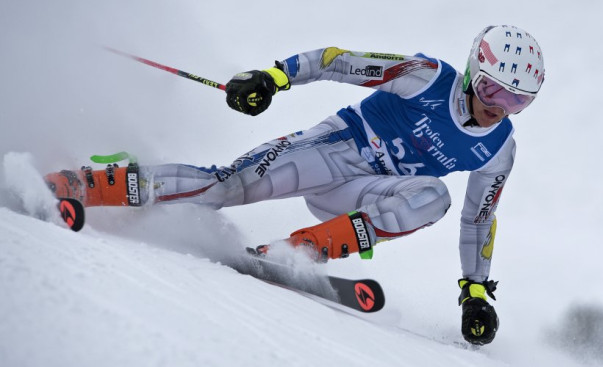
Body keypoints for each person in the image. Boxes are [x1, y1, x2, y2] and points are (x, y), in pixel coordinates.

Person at [44, 25, 545, 345]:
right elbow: (335, 59)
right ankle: (86, 184)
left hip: (366, 193)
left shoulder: (499, 148)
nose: (497, 106)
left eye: (517, 101)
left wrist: (475, 289)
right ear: (473, 74)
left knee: (434, 197)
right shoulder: (426, 77)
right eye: (492, 88)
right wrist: (273, 78)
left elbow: (480, 217)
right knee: (225, 189)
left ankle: (297, 252)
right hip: (333, 151)